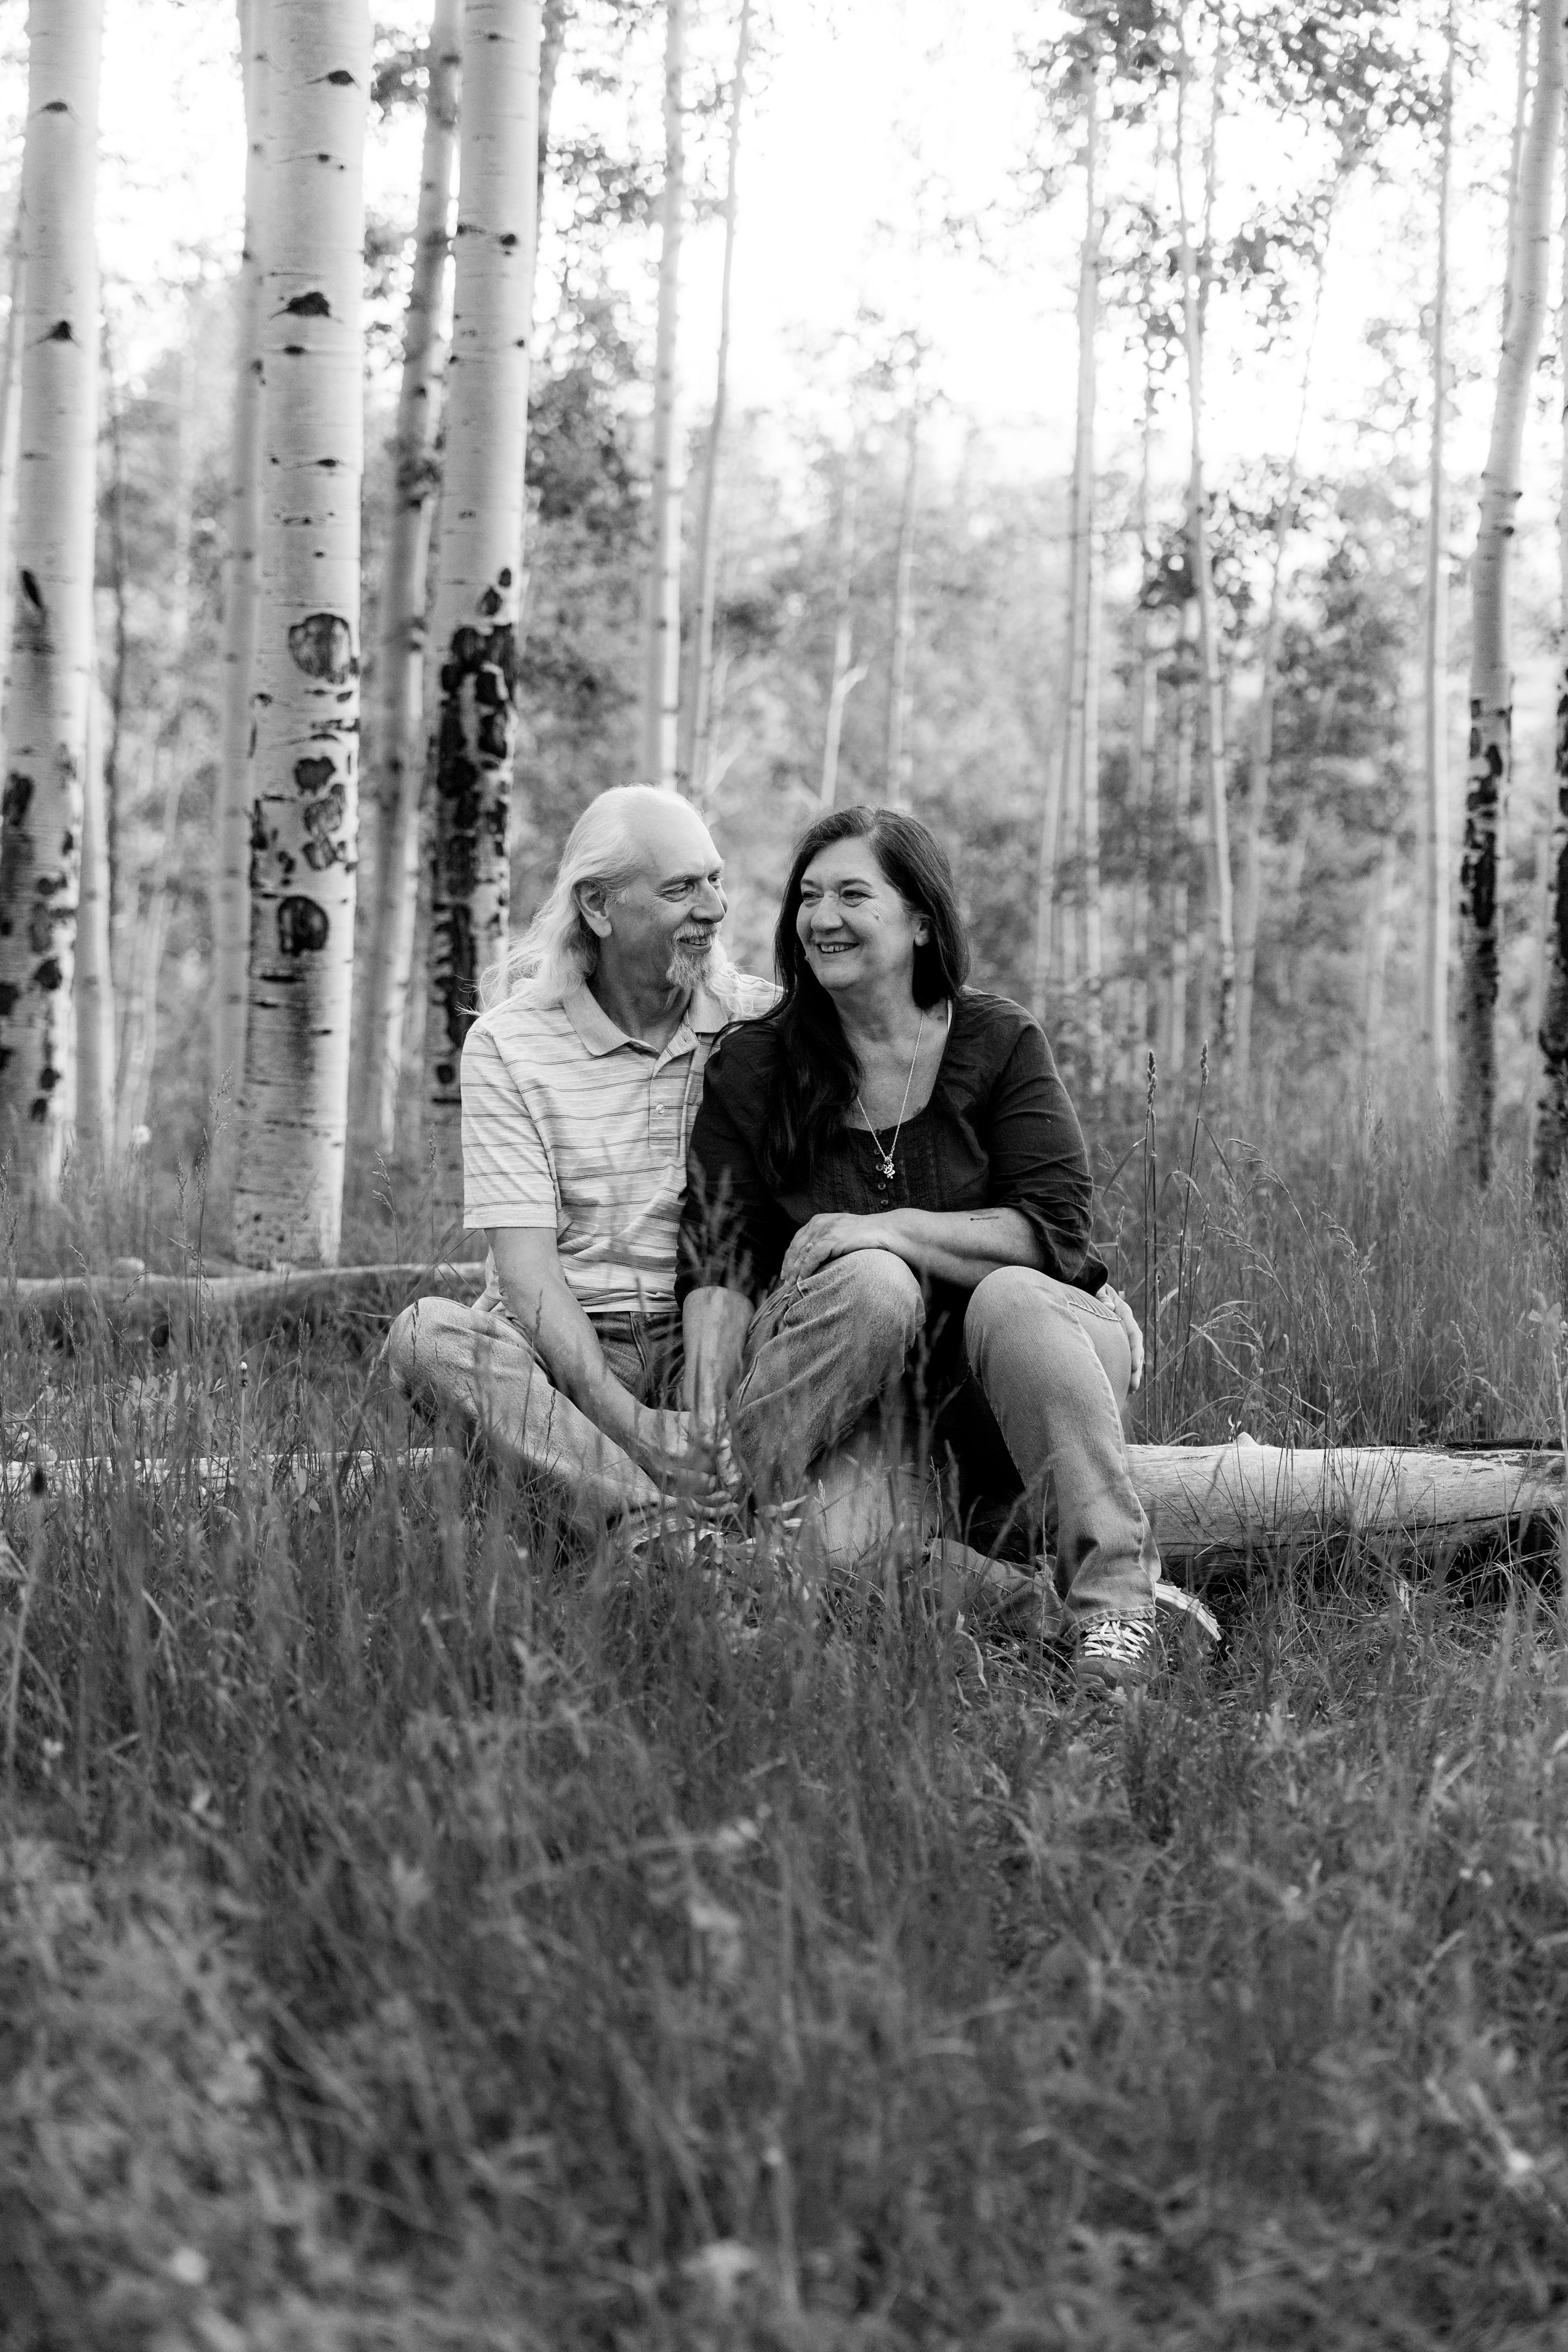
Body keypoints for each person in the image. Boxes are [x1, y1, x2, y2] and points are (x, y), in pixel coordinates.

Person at [676, 804, 1161, 1696]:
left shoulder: (998, 1039)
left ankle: (1119, 1605)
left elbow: (1056, 1232)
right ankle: (1018, 1602)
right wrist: (709, 1431)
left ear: (921, 920)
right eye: (809, 897)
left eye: (854, 893)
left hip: (1035, 1354)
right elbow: (720, 1265)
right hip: (882, 1409)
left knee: (1002, 1293)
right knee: (823, 1559)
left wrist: (890, 1226)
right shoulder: (755, 1067)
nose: (823, 918)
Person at [388, 785, 775, 1530]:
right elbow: (527, 1275)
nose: (715, 908)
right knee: (424, 1336)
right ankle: (669, 1527)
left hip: (725, 1343)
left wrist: (701, 1403)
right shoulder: (509, 1043)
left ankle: (618, 1500)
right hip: (567, 1352)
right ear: (598, 907)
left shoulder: (763, 1021)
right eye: (681, 889)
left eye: (715, 879)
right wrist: (627, 1420)